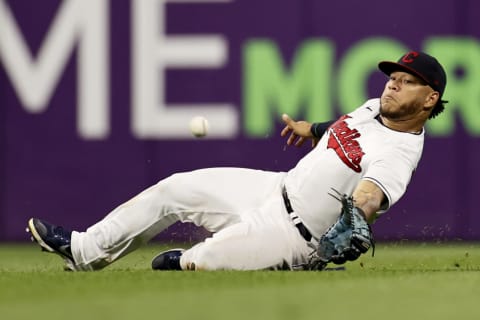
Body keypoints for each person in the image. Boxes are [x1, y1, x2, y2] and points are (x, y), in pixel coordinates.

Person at [27, 51, 447, 271]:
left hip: (294, 236)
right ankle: (84, 250)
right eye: (393, 76)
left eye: (407, 82)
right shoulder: (376, 106)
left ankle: (248, 261)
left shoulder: (400, 152)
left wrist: (359, 211)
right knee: (174, 188)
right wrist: (311, 129)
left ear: (429, 100)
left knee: (197, 263)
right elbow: (344, 128)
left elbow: (372, 194)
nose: (394, 84)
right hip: (273, 187)